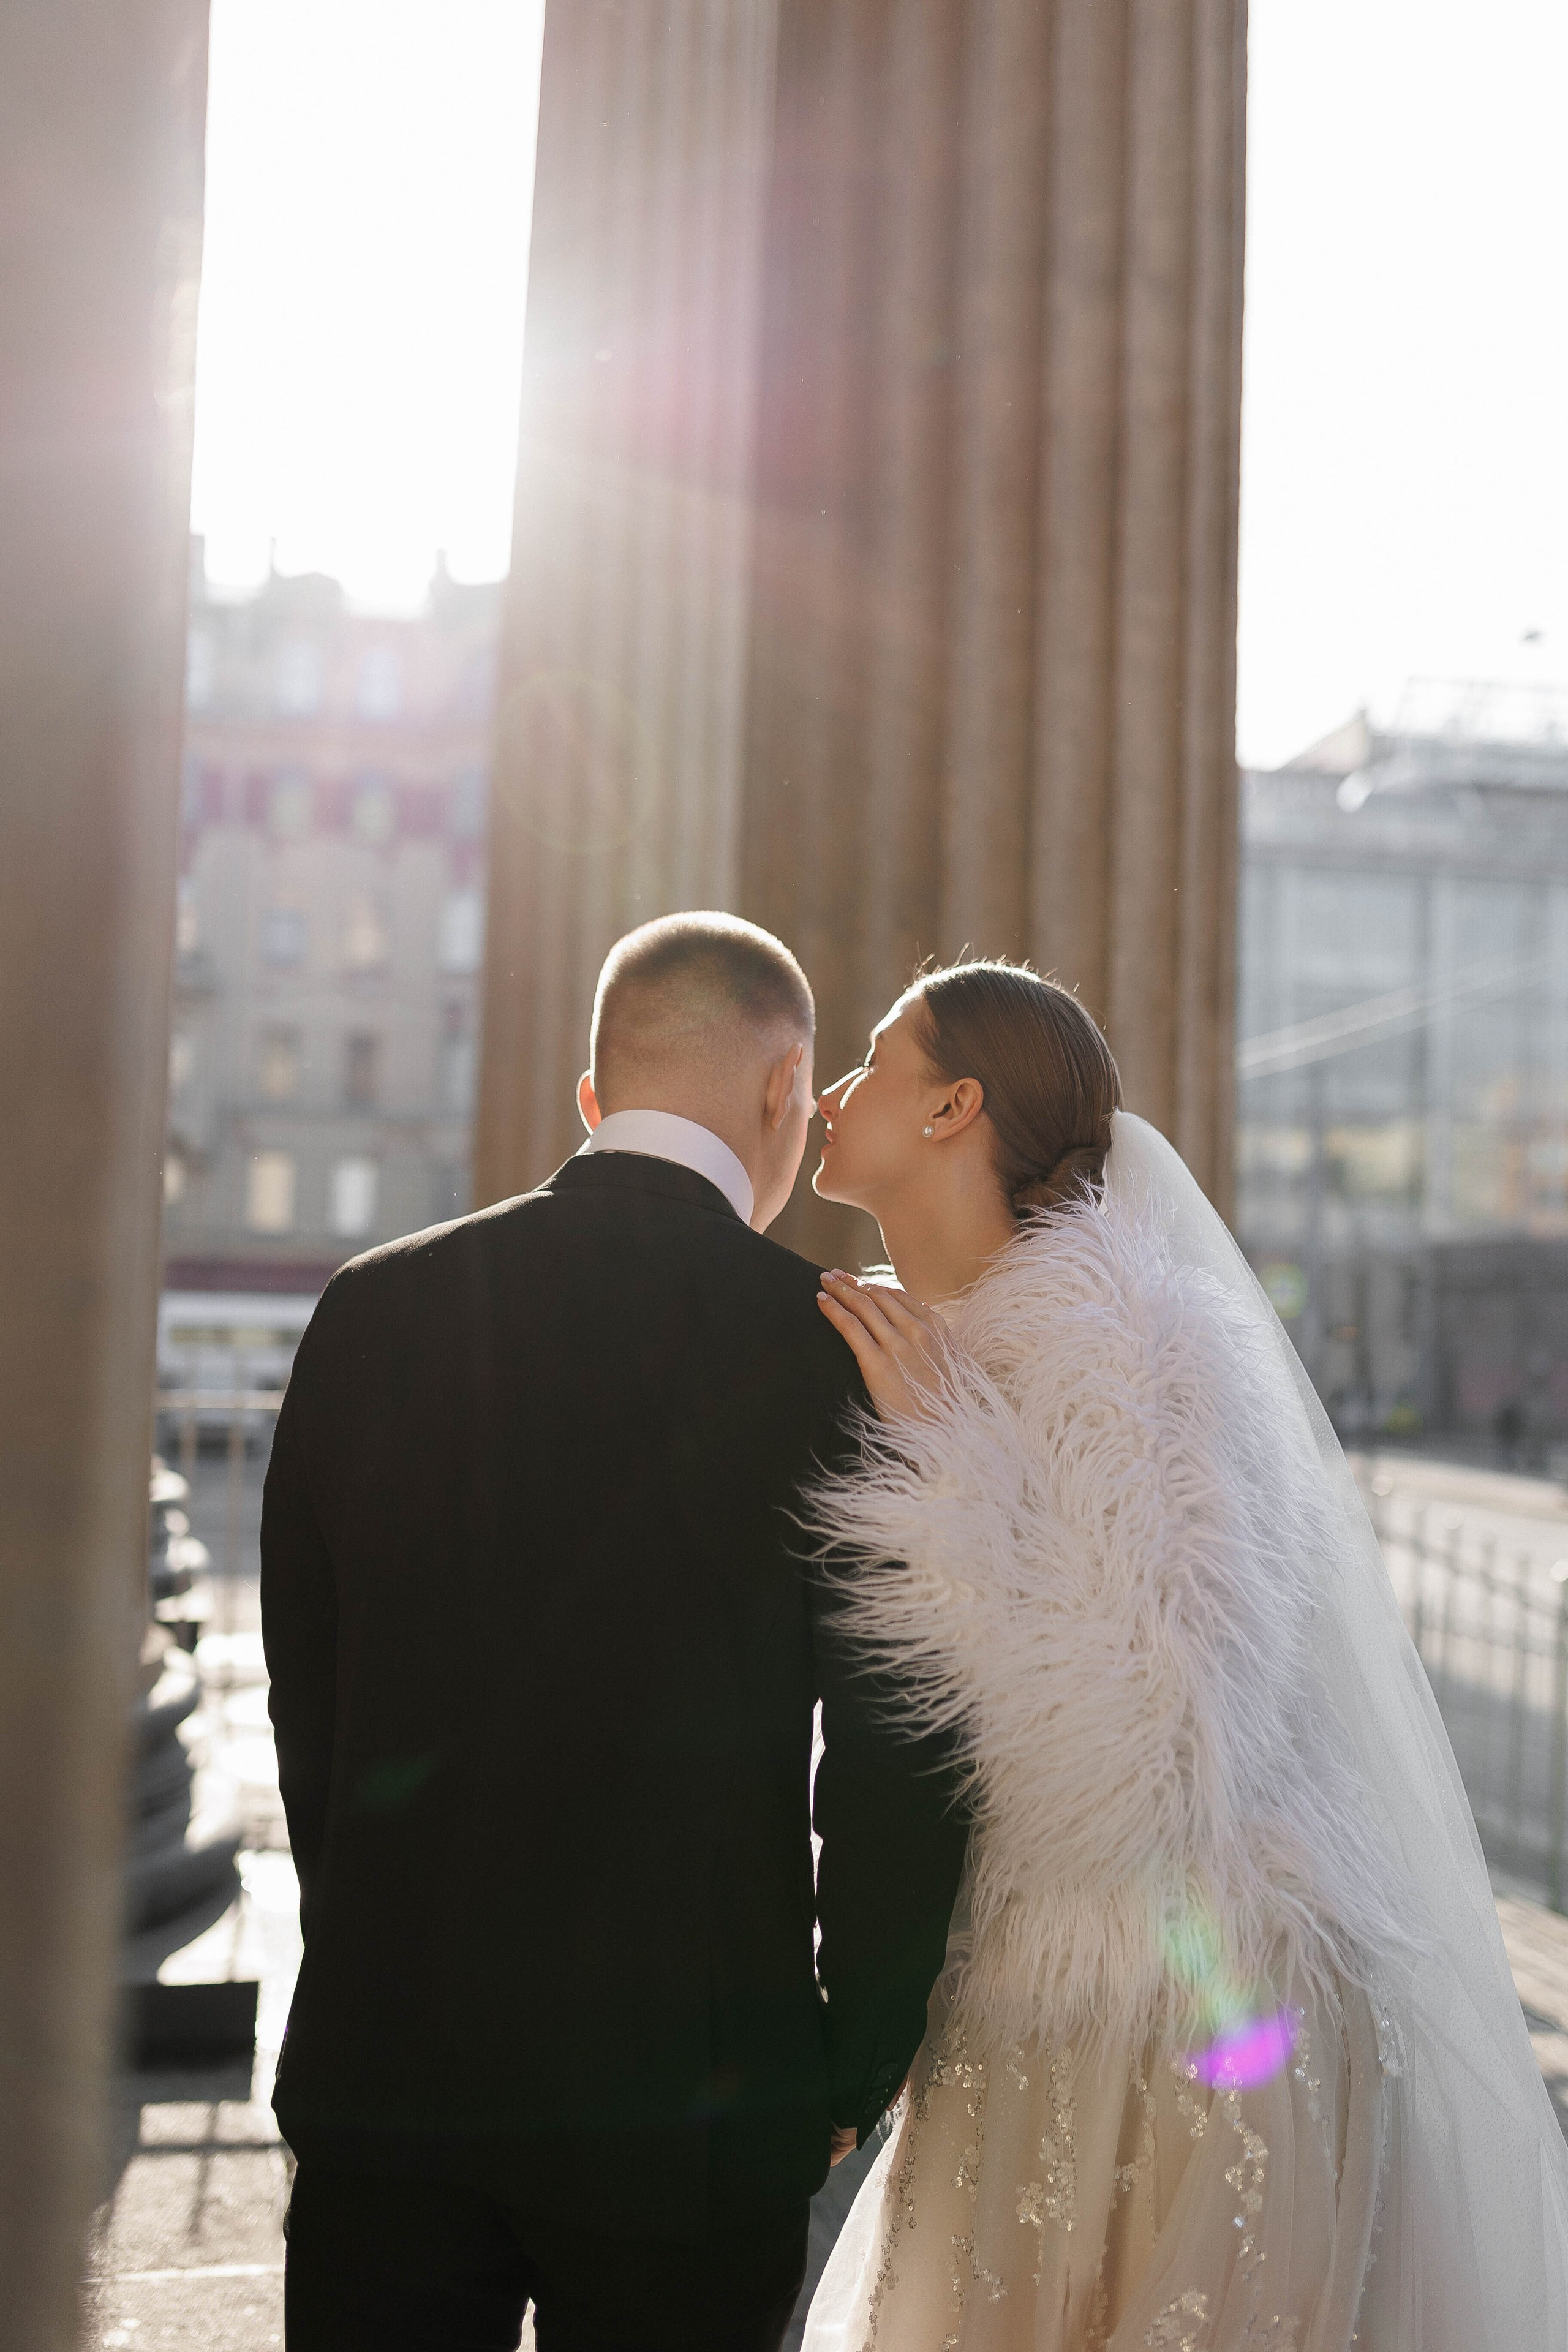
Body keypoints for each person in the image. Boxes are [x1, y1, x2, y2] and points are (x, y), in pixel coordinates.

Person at [803, 959, 1568, 2350]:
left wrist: (950, 1466)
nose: (830, 1091)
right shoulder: (945, 1335)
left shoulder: (1125, 1345)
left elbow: (1156, 1754)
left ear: (952, 1109)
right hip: (1043, 2015)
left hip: (1185, 2044)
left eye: (872, 1059)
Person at [261, 912, 968, 2352]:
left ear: (592, 1098)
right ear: (785, 1090)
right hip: (694, 2099)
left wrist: (372, 1946)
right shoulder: (830, 1352)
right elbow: (899, 1750)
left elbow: (307, 1702)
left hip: (388, 2072)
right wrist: (847, 2053)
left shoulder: (368, 1309)